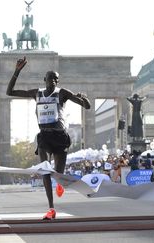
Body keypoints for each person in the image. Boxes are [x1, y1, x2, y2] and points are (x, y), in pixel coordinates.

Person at [6, 56, 91, 220]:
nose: (52, 81)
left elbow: (86, 106)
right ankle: (51, 208)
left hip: (60, 136)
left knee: (58, 174)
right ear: (44, 79)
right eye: (50, 78)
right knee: (45, 170)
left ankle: (59, 184)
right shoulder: (36, 93)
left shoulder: (63, 93)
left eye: (55, 79)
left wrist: (84, 97)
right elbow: (10, 92)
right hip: (44, 136)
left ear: (57, 82)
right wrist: (17, 71)